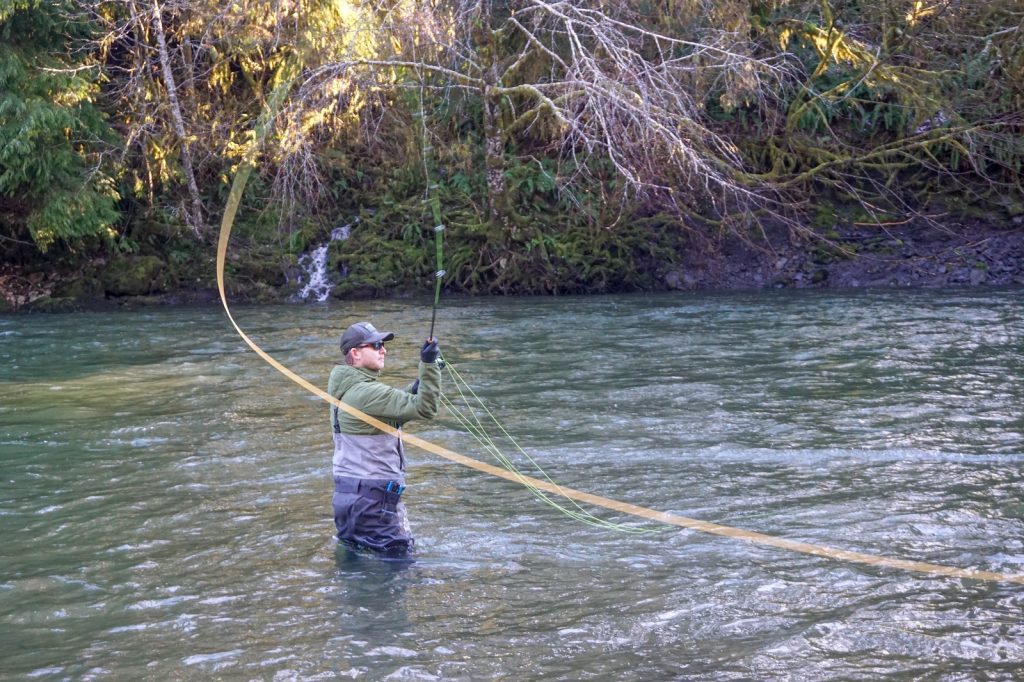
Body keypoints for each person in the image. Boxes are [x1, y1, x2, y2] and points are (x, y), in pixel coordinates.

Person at [328, 320, 441, 557]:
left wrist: (421, 383)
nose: (383, 350)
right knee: (399, 573)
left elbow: (390, 413)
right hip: (375, 505)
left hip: (347, 499)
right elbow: (425, 408)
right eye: (376, 345)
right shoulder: (367, 392)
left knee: (354, 568)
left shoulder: (346, 390)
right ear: (355, 353)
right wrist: (428, 365)